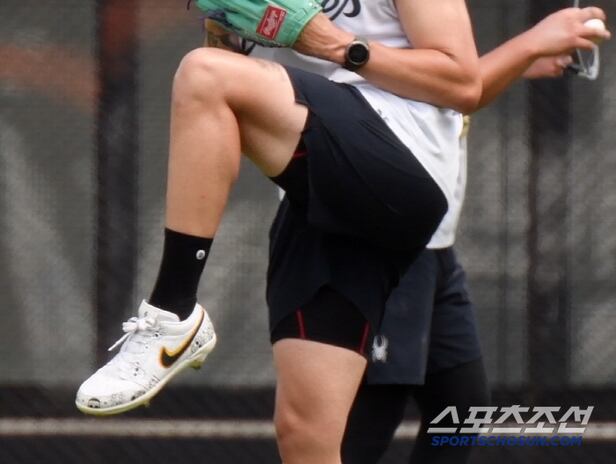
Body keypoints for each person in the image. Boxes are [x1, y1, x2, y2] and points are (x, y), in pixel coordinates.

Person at [72, 1, 607, 463]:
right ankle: (174, 320)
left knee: (424, 419)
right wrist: (225, 33)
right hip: (324, 201)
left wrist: (334, 44)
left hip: (403, 193)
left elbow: (461, 83)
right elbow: (233, 92)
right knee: (309, 438)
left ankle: (171, 313)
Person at [340, 6, 611, 464]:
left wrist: (518, 59)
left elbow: (453, 89)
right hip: (385, 242)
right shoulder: (355, 32)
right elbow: (444, 87)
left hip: (433, 249)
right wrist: (530, 44)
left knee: (460, 409)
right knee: (369, 423)